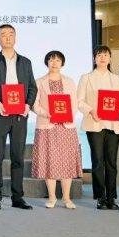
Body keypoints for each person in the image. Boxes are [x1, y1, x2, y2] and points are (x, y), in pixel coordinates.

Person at [0, 24, 37, 210]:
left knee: (18, 158)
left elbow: (32, 87)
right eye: (3, 34)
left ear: (15, 37)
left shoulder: (25, 62)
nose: (7, 37)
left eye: (11, 34)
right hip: (0, 115)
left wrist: (27, 105)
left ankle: (17, 197)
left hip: (20, 116)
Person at [32, 51, 82, 209]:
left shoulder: (69, 81)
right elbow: (34, 104)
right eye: (51, 60)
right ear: (47, 62)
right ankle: (52, 197)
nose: (54, 63)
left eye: (58, 60)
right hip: (47, 126)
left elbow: (74, 102)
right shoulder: (39, 82)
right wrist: (46, 113)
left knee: (67, 162)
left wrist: (68, 115)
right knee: (49, 161)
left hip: (66, 127)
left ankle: (67, 198)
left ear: (62, 63)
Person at [77, 45, 119, 210]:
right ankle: (100, 197)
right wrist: (91, 110)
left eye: (105, 55)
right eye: (99, 55)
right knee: (98, 161)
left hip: (113, 124)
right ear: (94, 59)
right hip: (94, 123)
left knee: (111, 162)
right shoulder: (86, 78)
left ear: (110, 58)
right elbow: (79, 101)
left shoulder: (117, 79)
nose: (102, 58)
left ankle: (111, 197)